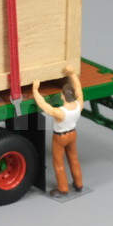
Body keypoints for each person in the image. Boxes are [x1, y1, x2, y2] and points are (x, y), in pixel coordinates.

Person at [32, 65, 84, 197]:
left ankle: (63, 188)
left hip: (60, 138)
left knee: (58, 162)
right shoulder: (79, 105)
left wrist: (35, 90)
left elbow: (44, 106)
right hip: (73, 134)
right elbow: (79, 88)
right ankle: (78, 184)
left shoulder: (61, 112)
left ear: (63, 96)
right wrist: (72, 74)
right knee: (74, 159)